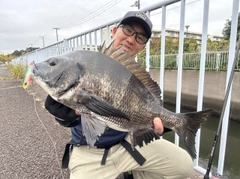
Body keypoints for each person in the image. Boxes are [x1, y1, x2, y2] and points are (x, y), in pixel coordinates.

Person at [45, 11, 193, 179]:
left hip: (128, 144)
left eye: (140, 38)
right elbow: (72, 118)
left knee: (184, 166)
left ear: (143, 47)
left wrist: (160, 125)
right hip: (90, 152)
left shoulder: (136, 77)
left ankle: (135, 173)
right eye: (128, 30)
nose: (131, 39)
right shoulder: (85, 65)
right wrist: (66, 116)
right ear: (115, 31)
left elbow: (148, 110)